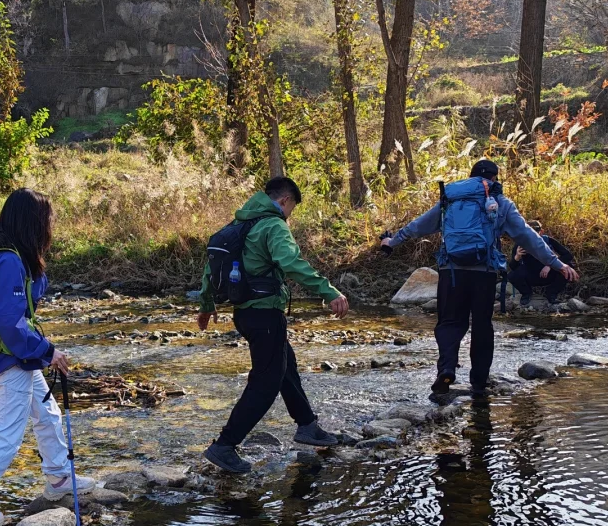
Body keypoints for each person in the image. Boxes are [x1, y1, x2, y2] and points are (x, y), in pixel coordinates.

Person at [0, 188, 95, 526]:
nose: (51, 226)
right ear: (33, 223)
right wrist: (48, 351)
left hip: (16, 356)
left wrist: (41, 351)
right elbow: (9, 324)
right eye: (47, 219)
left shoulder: (2, 252)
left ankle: (58, 478)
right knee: (8, 434)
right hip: (11, 356)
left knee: (47, 414)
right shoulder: (9, 261)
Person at [380, 159, 579, 400]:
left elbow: (418, 226)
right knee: (482, 326)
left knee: (450, 323)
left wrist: (392, 242)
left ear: (471, 176)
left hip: (451, 271)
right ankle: (479, 381)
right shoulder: (500, 202)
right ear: (494, 178)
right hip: (484, 273)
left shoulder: (450, 199)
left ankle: (446, 369)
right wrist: (556, 263)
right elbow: (529, 237)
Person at [196, 176, 350, 474]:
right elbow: (291, 262)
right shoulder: (272, 225)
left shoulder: (237, 225)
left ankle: (308, 426)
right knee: (266, 382)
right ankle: (224, 446)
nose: (289, 214)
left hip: (246, 314)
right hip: (265, 315)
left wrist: (206, 305)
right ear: (285, 201)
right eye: (291, 208)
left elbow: (210, 267)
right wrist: (329, 292)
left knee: (285, 368)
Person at [508, 220, 576, 308]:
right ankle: (526, 294)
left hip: (549, 274)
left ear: (541, 232)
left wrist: (550, 265)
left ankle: (551, 293)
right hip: (531, 275)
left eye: (535, 232)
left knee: (568, 267)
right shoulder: (521, 244)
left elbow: (568, 256)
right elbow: (513, 267)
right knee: (512, 275)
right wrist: (517, 257)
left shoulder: (548, 240)